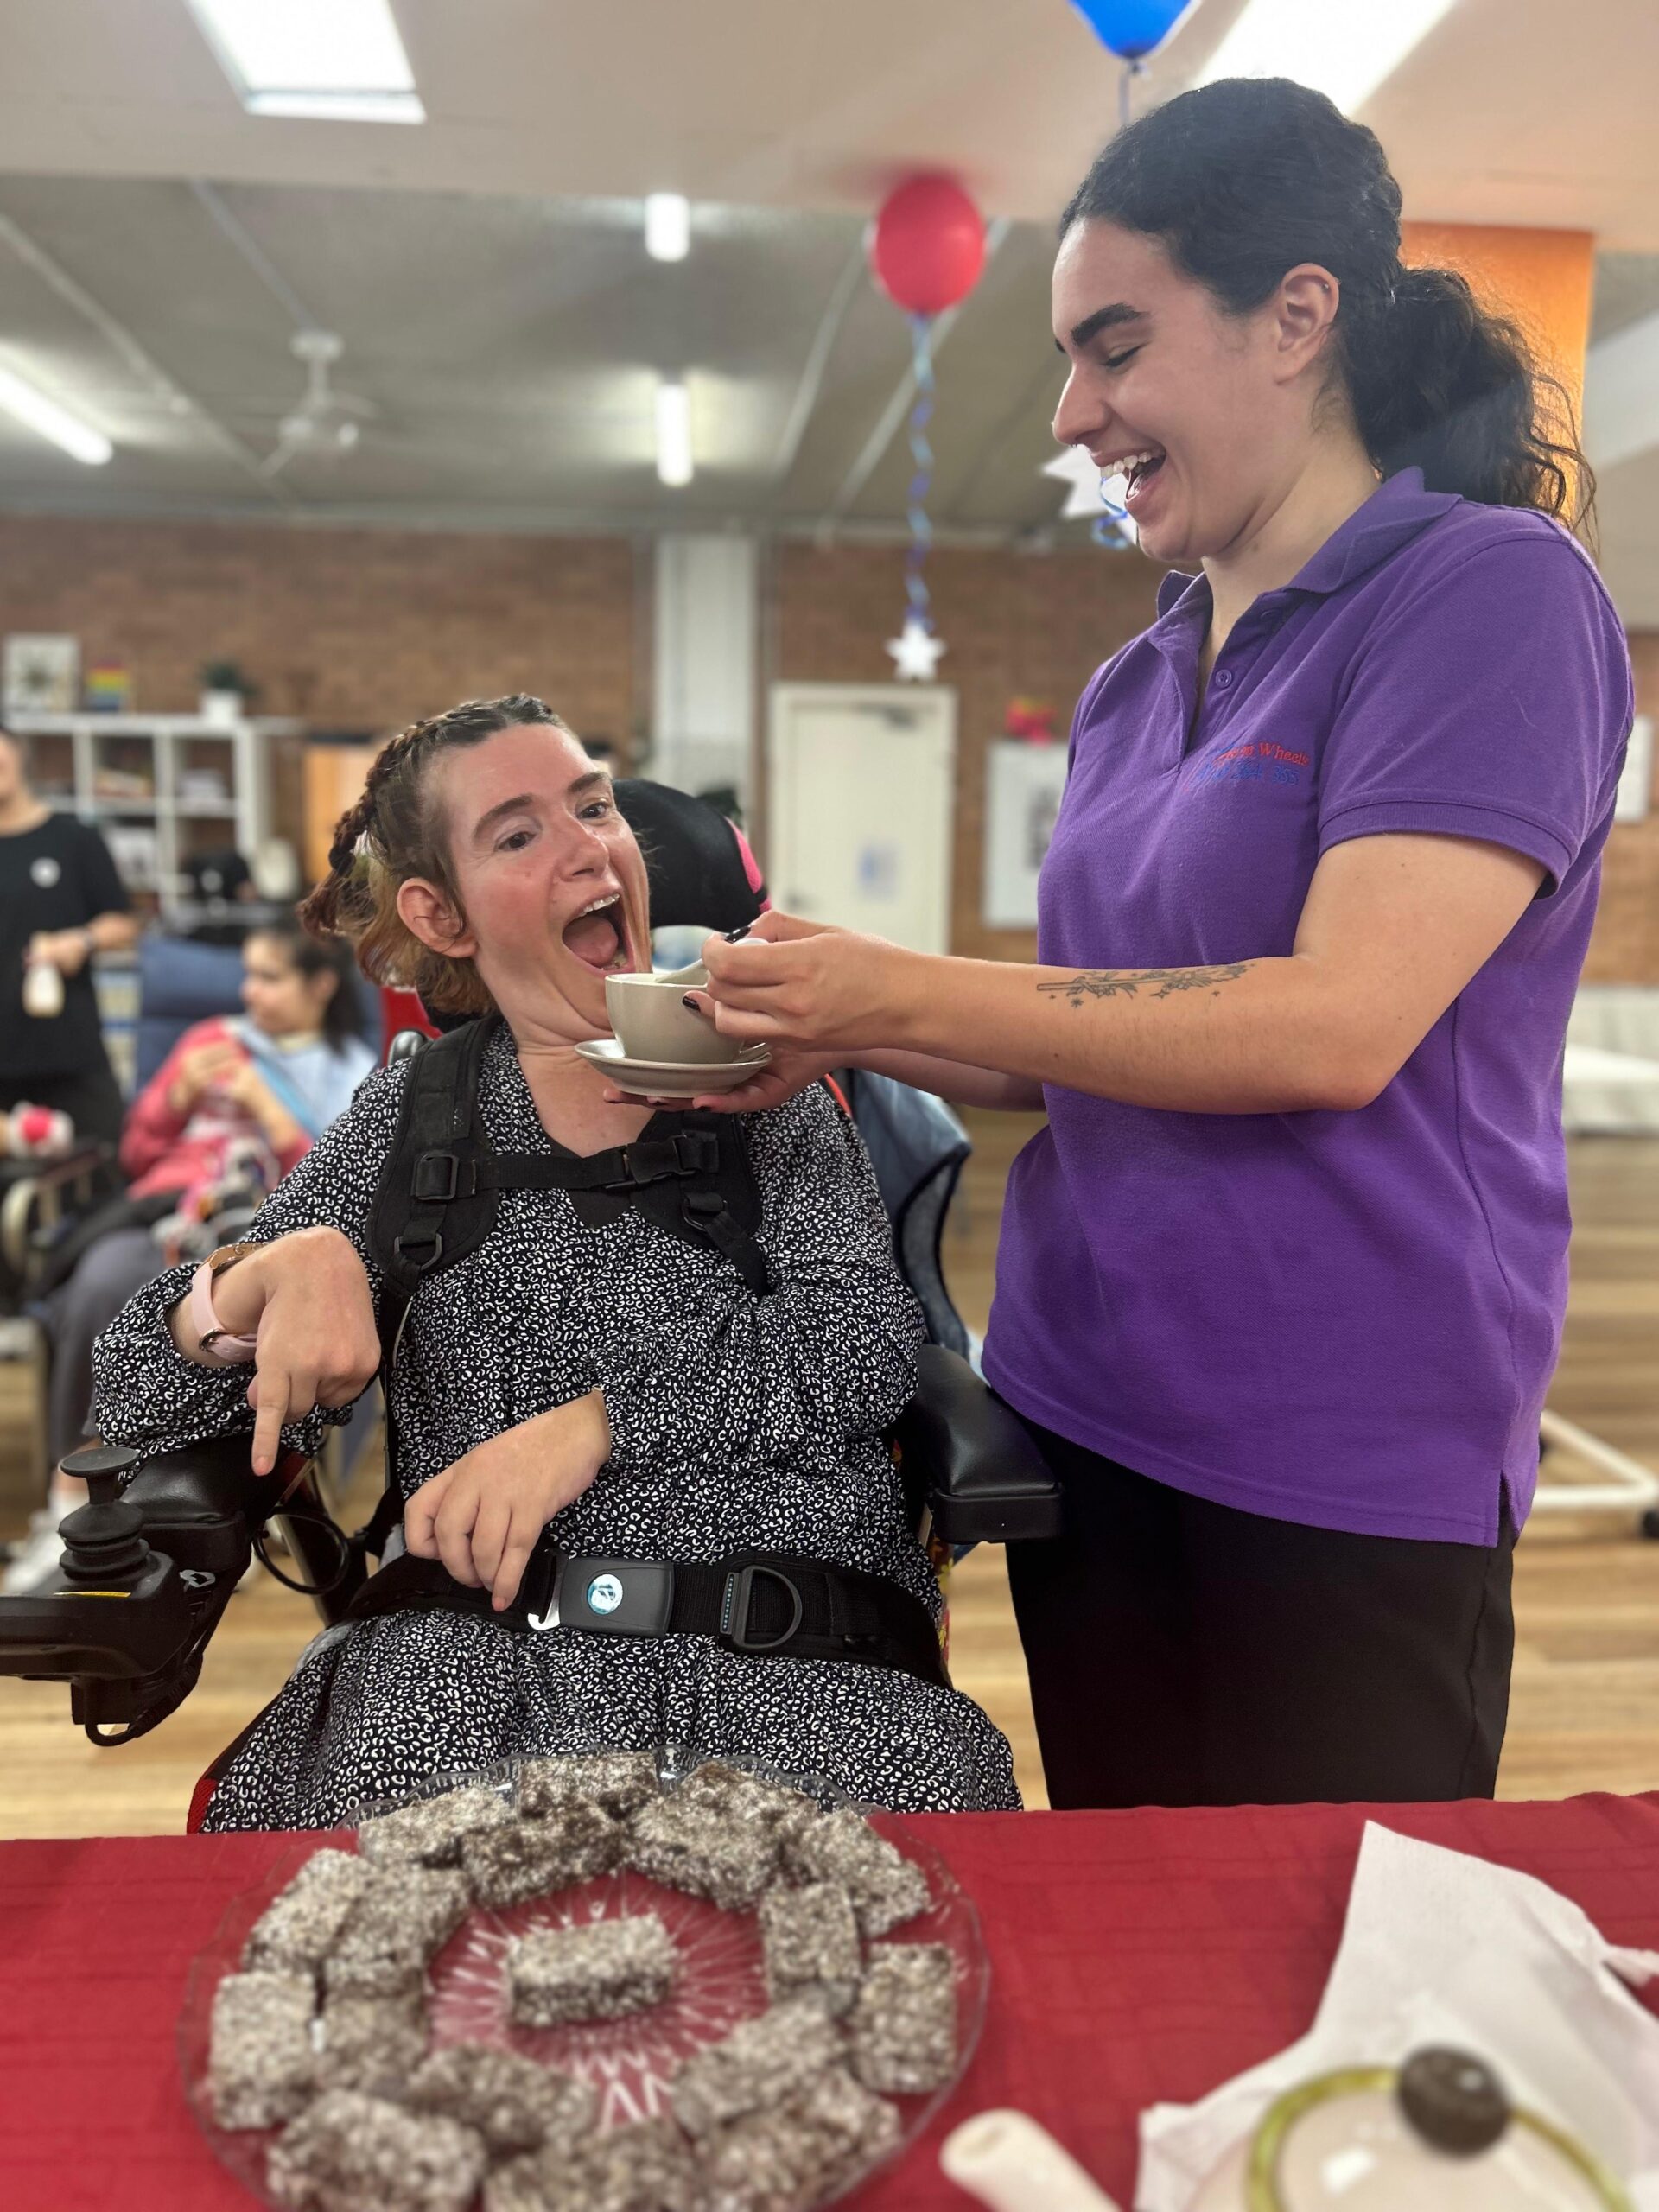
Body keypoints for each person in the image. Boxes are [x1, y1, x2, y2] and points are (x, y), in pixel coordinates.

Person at [682, 79, 1635, 1812]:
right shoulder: (1140, 672)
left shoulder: (1490, 595)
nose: (1070, 413)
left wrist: (901, 985)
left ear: (1296, 316)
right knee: (1139, 1912)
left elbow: (1331, 1022)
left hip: (1344, 1447)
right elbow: (1092, 1032)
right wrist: (835, 1019)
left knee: (1330, 1953)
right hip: (1086, 1401)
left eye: (1113, 346)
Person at [90, 695, 1016, 1827]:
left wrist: (598, 1424)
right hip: (474, 1663)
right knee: (351, 1922)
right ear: (441, 914)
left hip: (792, 1640)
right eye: (519, 835)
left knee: (896, 1910)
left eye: (595, 806)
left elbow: (861, 1344)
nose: (588, 846)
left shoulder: (761, 1084)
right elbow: (139, 1389)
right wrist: (266, 1278)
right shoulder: (411, 1116)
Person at [2, 917, 372, 1595]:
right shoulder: (210, 1040)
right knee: (99, 1283)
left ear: (320, 985)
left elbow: (335, 1190)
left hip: (262, 1225)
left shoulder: (348, 1071)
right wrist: (175, 1098)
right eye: (247, 976)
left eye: (269, 977)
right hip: (166, 1211)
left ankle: (214, 1511)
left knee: (238, 1308)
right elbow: (137, 1155)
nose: (249, 995)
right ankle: (78, 1500)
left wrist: (268, 1105)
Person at [0, 721, 137, 1153]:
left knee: (105, 1166)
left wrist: (81, 941)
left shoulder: (73, 838)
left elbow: (123, 922)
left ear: (18, 753)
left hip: (68, 1046)